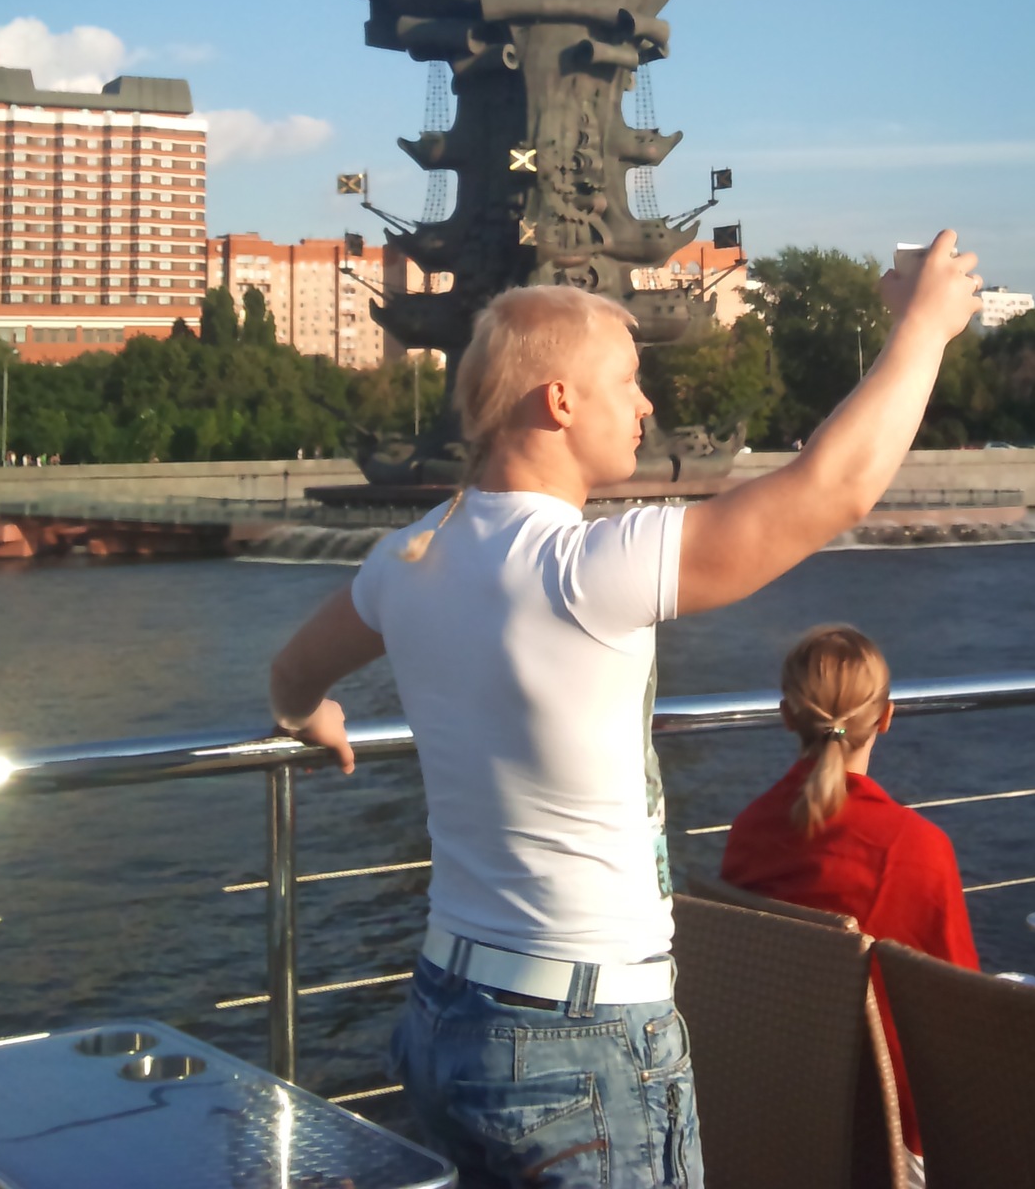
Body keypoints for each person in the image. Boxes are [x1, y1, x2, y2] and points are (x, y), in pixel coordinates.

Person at [268, 231, 982, 1189]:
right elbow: (836, 489)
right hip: (582, 1038)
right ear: (560, 401)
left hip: (444, 1013)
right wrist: (925, 328)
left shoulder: (405, 559)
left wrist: (310, 716)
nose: (647, 405)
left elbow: (291, 674)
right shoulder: (585, 569)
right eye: (629, 380)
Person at [719, 624, 978, 1175]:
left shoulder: (748, 831)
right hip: (894, 1132)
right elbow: (962, 1007)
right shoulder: (914, 847)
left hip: (775, 1109)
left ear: (787, 716)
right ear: (886, 718)